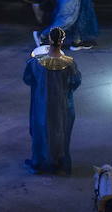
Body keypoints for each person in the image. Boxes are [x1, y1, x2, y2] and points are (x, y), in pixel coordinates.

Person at [22, 26, 81, 175]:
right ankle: (60, 164)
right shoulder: (69, 63)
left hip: (41, 103)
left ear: (49, 39)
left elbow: (27, 79)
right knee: (61, 132)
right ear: (62, 41)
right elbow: (75, 82)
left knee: (40, 132)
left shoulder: (35, 62)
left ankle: (38, 163)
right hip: (63, 103)